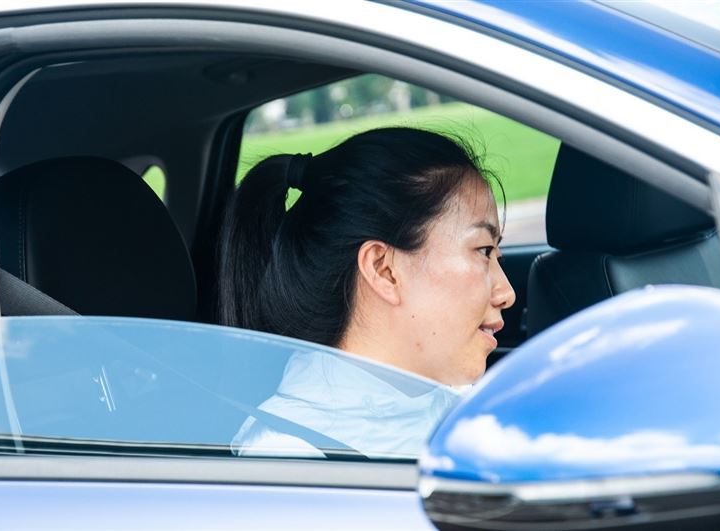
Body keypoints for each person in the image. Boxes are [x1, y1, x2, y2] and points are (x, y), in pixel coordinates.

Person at [219, 127, 515, 457]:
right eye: (484, 251)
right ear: (383, 270)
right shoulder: (289, 457)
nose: (507, 293)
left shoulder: (456, 406)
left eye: (497, 255)